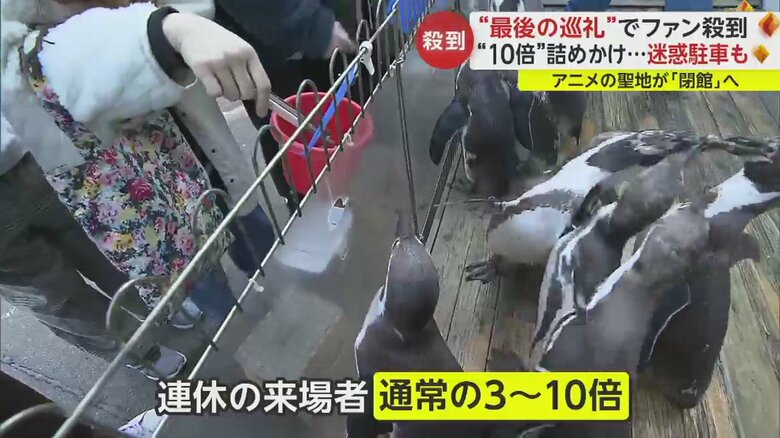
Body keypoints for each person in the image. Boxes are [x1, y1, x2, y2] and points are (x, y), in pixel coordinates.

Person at [0, 0, 273, 376]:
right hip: (120, 194)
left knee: (131, 265)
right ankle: (163, 347)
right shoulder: (36, 49)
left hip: (58, 161)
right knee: (63, 296)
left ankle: (216, 320)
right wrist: (170, 32)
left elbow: (86, 49)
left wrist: (171, 30)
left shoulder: (43, 42)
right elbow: (74, 54)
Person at [213, 0, 357, 211]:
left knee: (338, 125)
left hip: (316, 25)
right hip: (269, 41)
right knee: (289, 144)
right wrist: (314, 24)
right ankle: (306, 207)